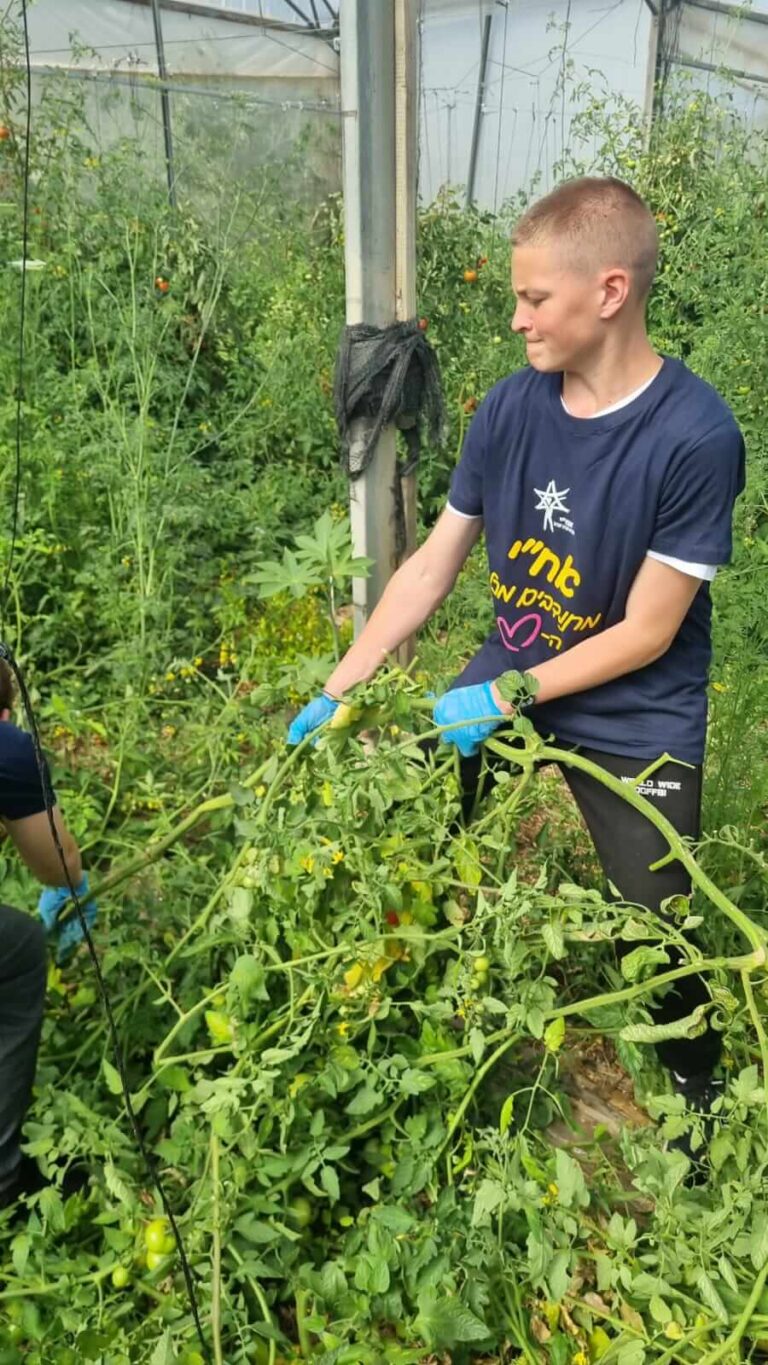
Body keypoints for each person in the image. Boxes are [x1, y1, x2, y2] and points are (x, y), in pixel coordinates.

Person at [287, 177, 745, 1154]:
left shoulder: (696, 437)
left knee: (656, 928)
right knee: (411, 822)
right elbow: (435, 562)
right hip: (519, 658)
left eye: (535, 298)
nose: (515, 317)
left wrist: (507, 694)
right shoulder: (509, 409)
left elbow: (652, 630)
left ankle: (695, 1104)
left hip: (636, 710)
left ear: (610, 292)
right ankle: (416, 1004)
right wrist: (341, 687)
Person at [0, 658, 97, 1208]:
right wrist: (72, 886)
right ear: (7, 711)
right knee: (17, 946)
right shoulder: (6, 745)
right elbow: (58, 866)